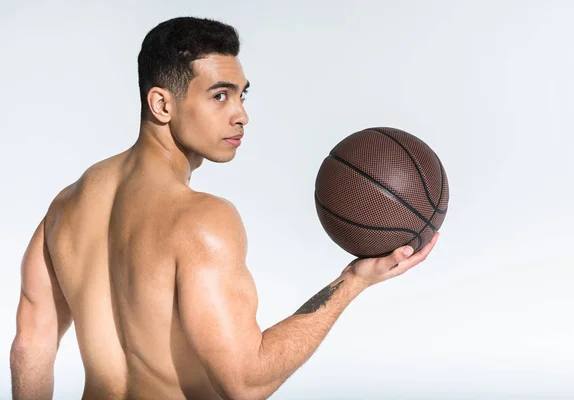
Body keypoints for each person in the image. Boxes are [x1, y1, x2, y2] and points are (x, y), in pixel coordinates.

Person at [9, 16, 440, 400]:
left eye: (242, 95)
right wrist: (352, 281)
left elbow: (31, 342)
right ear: (162, 104)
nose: (241, 115)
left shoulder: (66, 206)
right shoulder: (201, 219)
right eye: (220, 96)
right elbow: (246, 382)